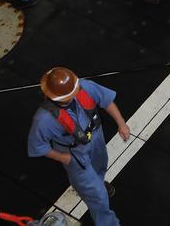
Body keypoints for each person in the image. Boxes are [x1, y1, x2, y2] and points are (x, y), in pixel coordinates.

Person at [28, 67, 129, 226]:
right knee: (98, 196)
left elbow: (106, 100)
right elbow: (38, 146)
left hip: (96, 139)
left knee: (101, 165)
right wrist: (62, 157)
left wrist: (121, 123)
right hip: (74, 154)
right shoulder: (44, 120)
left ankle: (99, 181)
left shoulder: (85, 87)